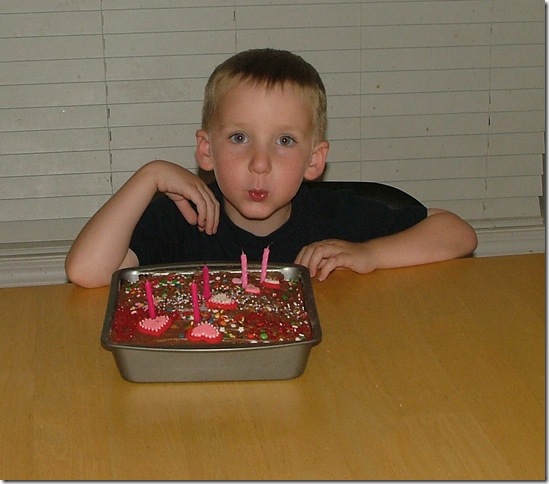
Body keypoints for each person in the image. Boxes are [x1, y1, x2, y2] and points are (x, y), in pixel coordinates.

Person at [65, 48, 477, 288]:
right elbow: (85, 271)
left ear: (314, 160)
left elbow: (456, 232)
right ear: (206, 151)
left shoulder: (333, 217)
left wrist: (370, 254)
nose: (259, 164)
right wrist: (149, 175)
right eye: (239, 138)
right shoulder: (184, 219)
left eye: (284, 142)